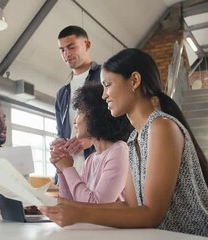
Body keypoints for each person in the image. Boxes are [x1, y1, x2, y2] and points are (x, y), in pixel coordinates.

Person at [39, 49, 208, 236]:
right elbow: (130, 205)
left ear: (134, 81)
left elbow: (152, 214)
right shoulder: (134, 138)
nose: (104, 95)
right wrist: (68, 206)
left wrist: (80, 213)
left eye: (108, 85)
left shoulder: (161, 127)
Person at [50, 83, 133, 203]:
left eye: (80, 112)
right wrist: (61, 169)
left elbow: (96, 205)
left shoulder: (120, 151)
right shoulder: (90, 160)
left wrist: (68, 168)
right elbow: (69, 204)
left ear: (95, 115)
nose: (75, 121)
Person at [54, 25, 102, 181]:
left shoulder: (105, 77)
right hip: (71, 170)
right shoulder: (62, 93)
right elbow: (62, 131)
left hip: (99, 168)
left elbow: (121, 121)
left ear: (87, 45)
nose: (66, 54)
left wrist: (91, 140)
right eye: (62, 50)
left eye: (71, 47)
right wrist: (58, 143)